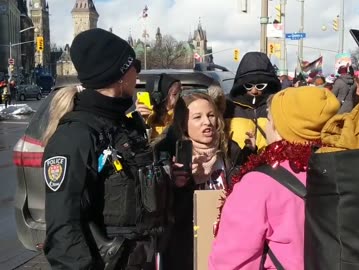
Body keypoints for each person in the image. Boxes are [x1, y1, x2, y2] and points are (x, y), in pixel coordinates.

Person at [41, 28, 168, 270]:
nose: (138, 72)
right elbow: (63, 229)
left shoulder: (122, 124)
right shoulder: (76, 136)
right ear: (119, 74)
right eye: (135, 65)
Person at [209, 86, 340, 270]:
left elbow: (232, 262)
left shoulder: (259, 184)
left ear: (281, 128)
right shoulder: (345, 169)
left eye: (269, 119)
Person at [154, 92, 252, 270]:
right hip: (185, 251)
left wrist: (251, 156)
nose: (207, 122)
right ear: (183, 124)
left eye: (211, 115)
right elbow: (160, 211)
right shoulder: (168, 155)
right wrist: (177, 185)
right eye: (197, 117)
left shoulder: (231, 151)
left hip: (225, 247)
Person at [224, 52, 282, 153]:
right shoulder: (227, 106)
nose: (254, 90)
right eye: (248, 85)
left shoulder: (278, 106)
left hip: (271, 165)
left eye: (260, 86)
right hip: (237, 166)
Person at [136, 73, 182, 140]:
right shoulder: (134, 118)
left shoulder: (183, 114)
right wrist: (141, 121)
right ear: (157, 97)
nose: (178, 97)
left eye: (180, 93)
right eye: (174, 94)